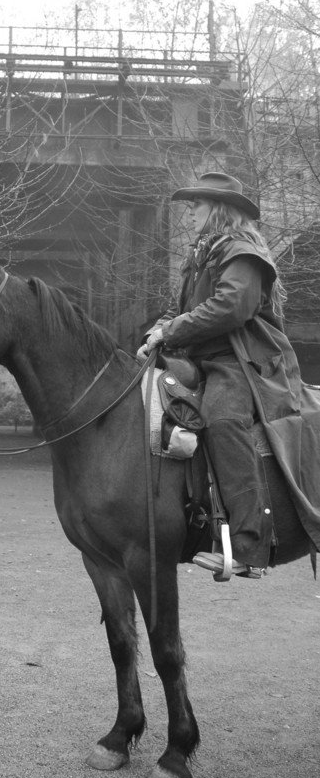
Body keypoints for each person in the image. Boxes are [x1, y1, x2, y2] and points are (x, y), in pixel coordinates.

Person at [138, 171, 301, 579]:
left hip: (241, 361)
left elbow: (231, 307)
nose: (189, 213)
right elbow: (185, 310)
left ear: (220, 210)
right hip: (201, 358)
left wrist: (171, 331)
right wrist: (157, 334)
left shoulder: (242, 252)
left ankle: (249, 546)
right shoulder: (203, 256)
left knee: (222, 420)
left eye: (197, 206)